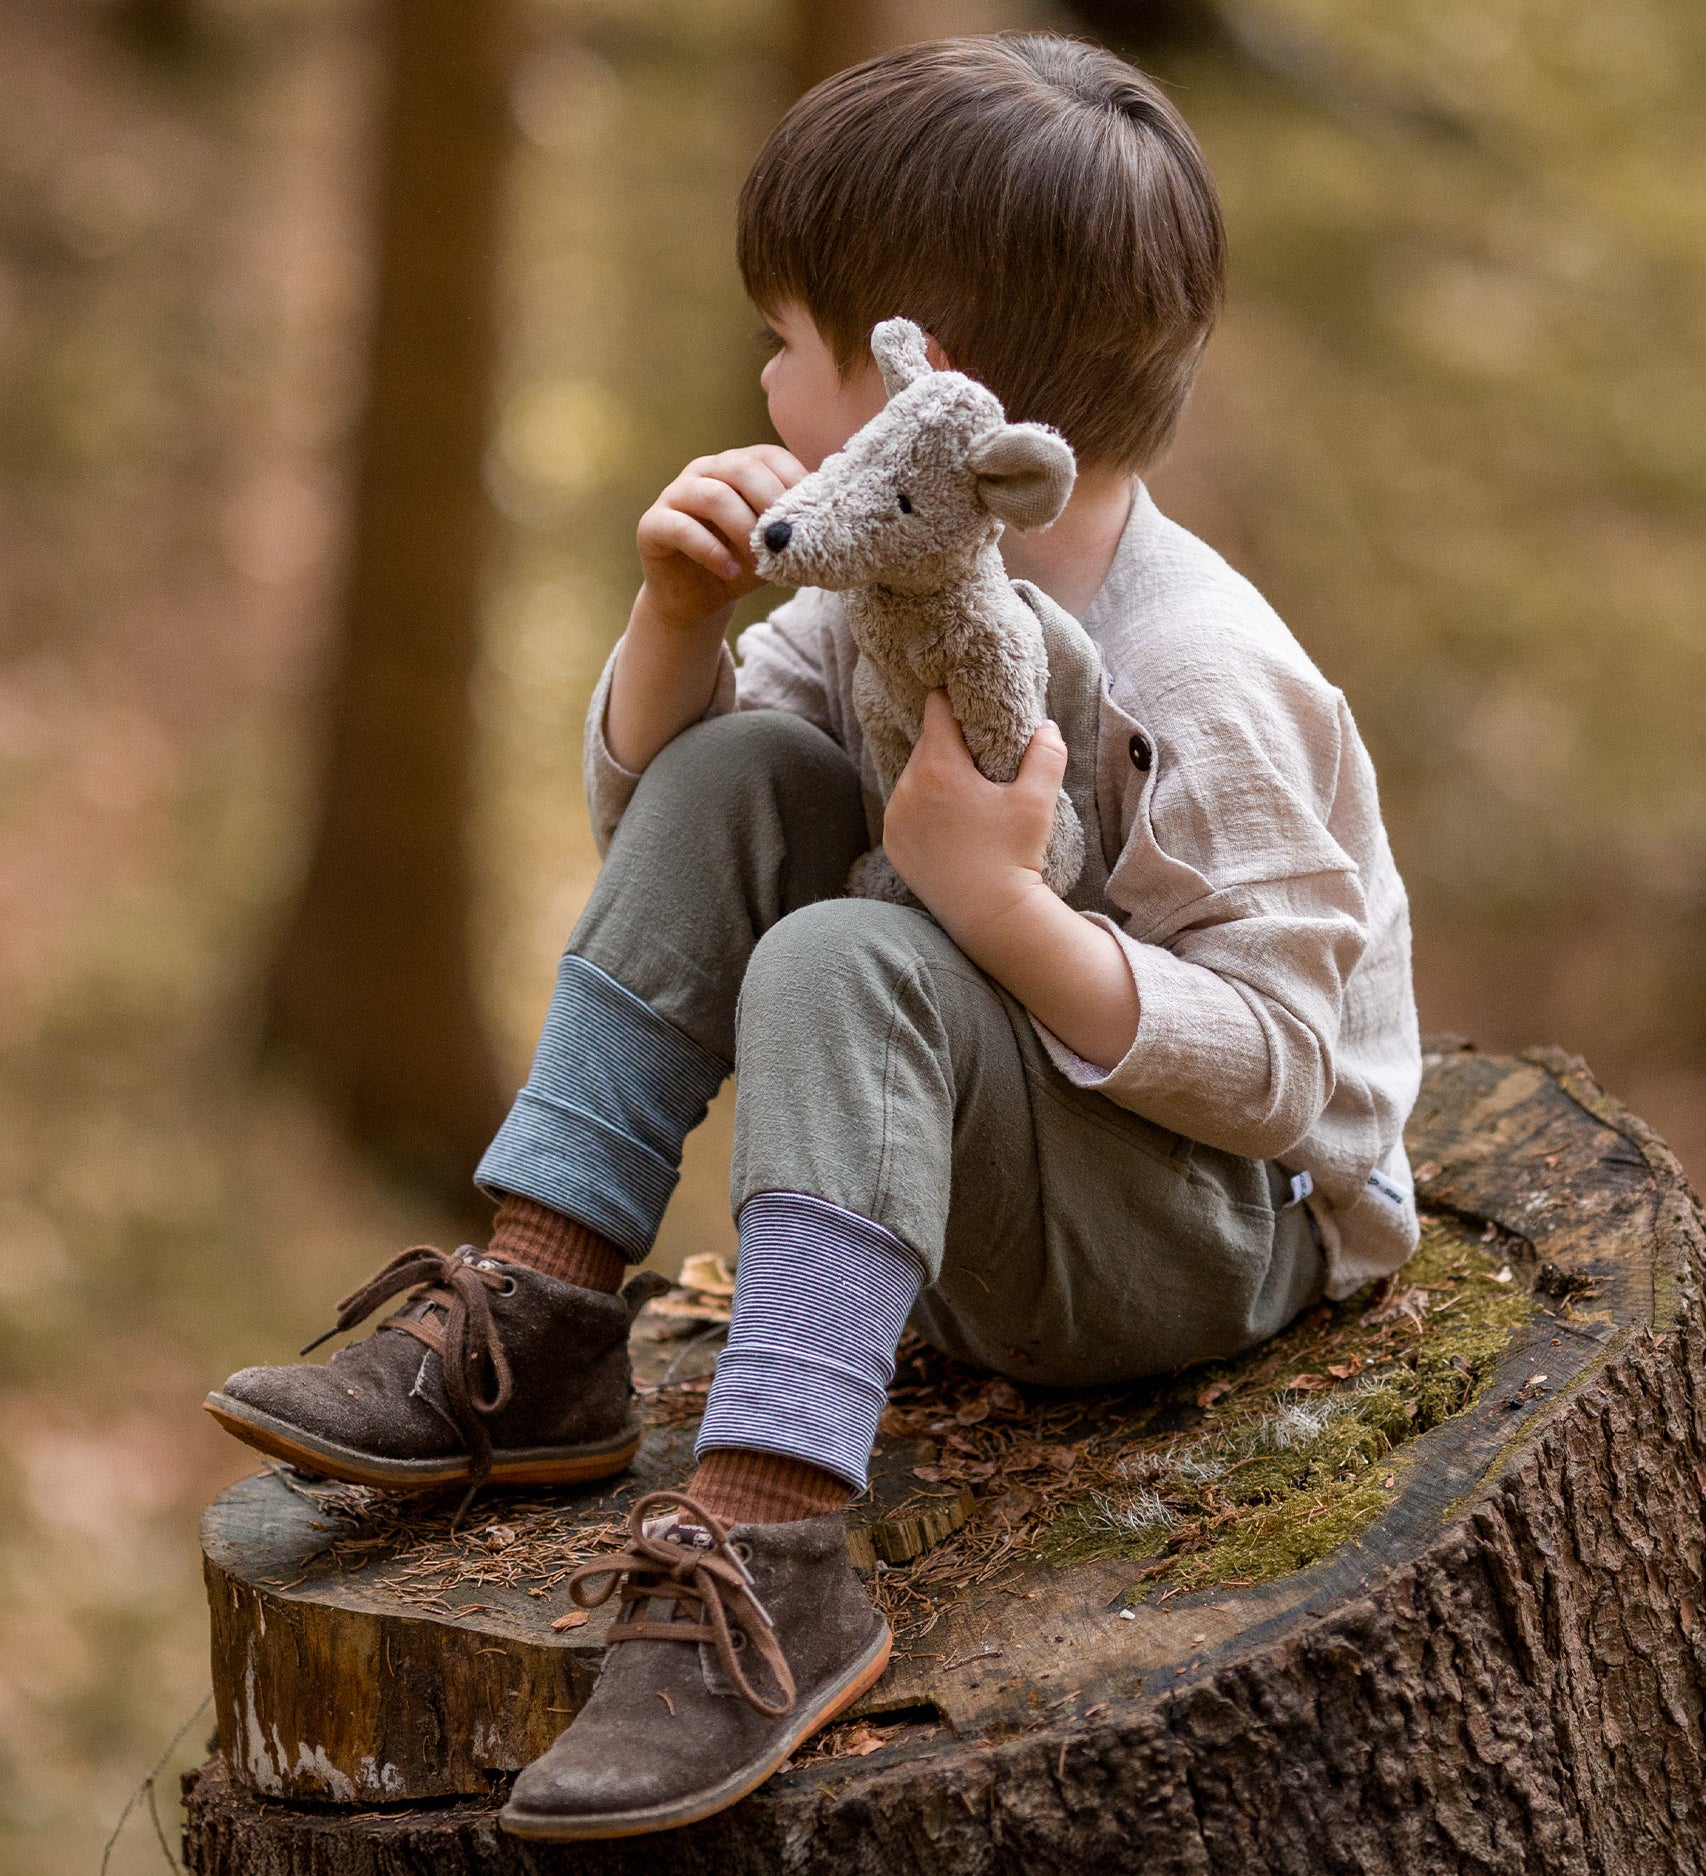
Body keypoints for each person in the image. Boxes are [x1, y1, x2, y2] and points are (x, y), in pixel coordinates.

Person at [204, 33, 1422, 1840]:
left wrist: (995, 902)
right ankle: (541, 1305)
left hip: (1212, 1241)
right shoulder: (880, 590)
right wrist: (676, 626)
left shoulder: (1202, 677)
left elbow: (1276, 1083)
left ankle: (774, 1551)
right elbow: (672, 843)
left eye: (787, 338)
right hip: (982, 1171)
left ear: (935, 393)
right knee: (748, 775)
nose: (763, 374)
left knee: (842, 958)